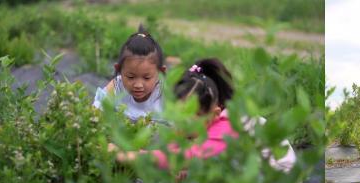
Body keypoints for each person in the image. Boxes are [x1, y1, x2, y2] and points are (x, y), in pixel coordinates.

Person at [111, 58, 296, 173]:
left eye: (193, 115)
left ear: (215, 113)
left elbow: (183, 157)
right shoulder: (197, 125)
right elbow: (172, 151)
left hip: (274, 179)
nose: (183, 122)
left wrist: (127, 155)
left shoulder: (229, 125)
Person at [93, 25, 166, 122]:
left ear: (161, 72)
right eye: (131, 77)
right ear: (119, 69)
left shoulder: (165, 95)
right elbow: (97, 111)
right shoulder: (117, 87)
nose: (138, 85)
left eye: (147, 78)